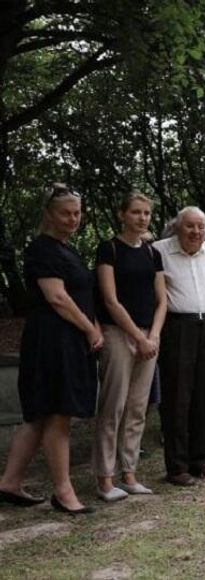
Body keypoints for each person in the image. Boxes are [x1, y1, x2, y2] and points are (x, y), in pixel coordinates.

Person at [0, 184, 101, 514]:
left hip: (67, 339)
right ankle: (63, 491)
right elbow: (57, 297)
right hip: (52, 340)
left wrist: (91, 325)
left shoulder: (66, 249)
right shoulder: (42, 249)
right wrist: (88, 328)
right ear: (49, 214)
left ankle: (9, 482)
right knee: (57, 413)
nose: (73, 218)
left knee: (41, 415)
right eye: (65, 213)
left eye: (77, 212)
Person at [92, 192, 167, 502]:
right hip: (119, 334)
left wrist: (154, 336)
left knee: (137, 407)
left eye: (147, 213)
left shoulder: (152, 254)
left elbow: (162, 299)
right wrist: (137, 337)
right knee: (114, 406)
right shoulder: (108, 249)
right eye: (136, 212)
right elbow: (110, 299)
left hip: (150, 336)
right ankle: (105, 479)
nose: (142, 218)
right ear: (123, 214)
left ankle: (130, 473)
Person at [153, 206, 205, 486]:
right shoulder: (159, 250)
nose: (196, 232)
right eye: (190, 227)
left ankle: (201, 459)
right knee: (177, 396)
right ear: (177, 227)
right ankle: (177, 465)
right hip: (177, 326)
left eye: (201, 227)